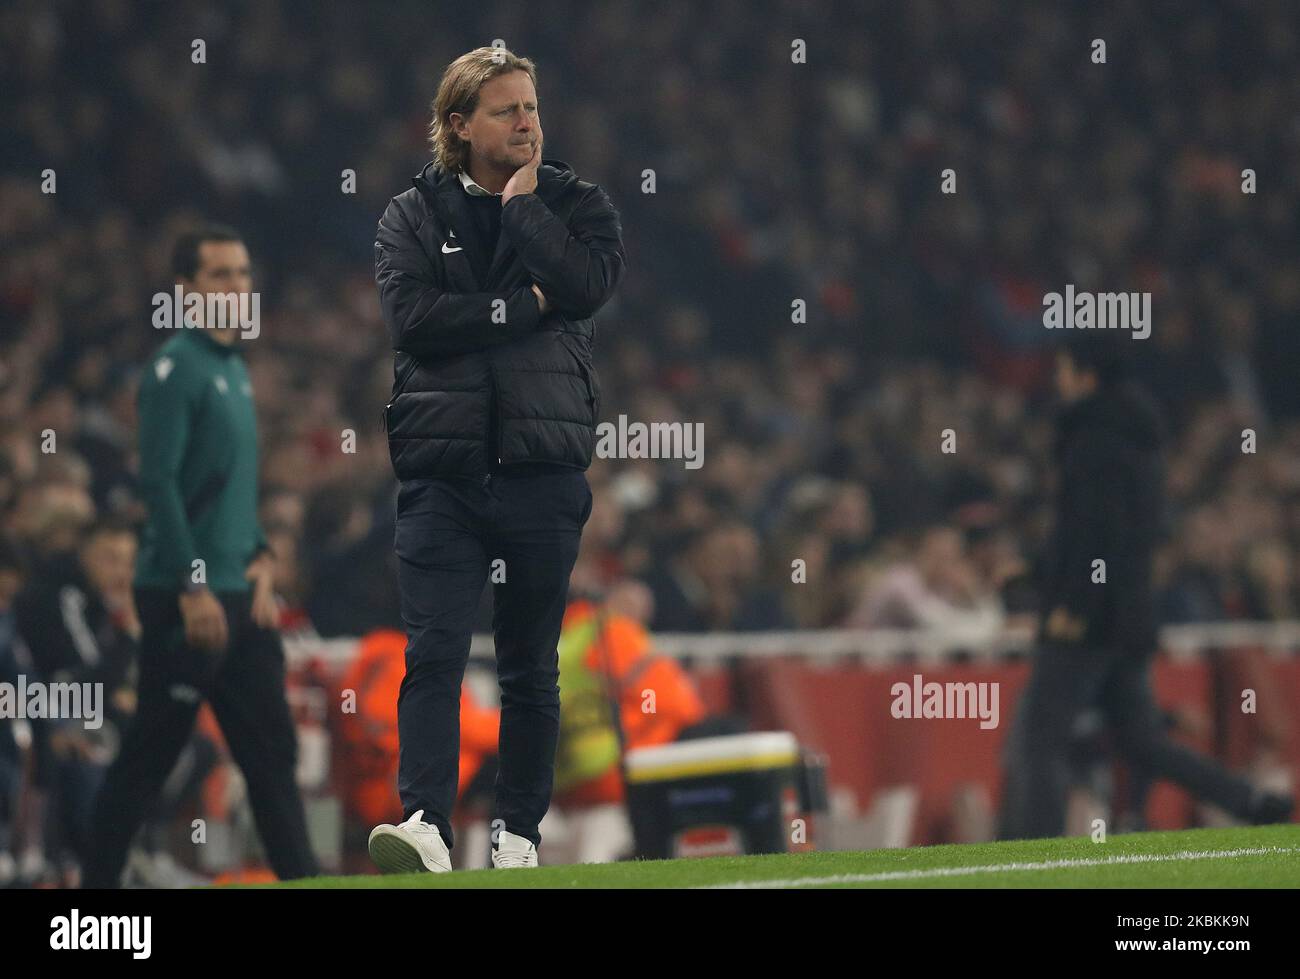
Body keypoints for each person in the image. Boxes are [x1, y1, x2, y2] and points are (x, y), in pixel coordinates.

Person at [367, 46, 625, 873]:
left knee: (529, 665)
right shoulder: (409, 215)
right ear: (458, 125)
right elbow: (415, 322)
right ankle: (428, 827)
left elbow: (586, 285)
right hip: (441, 474)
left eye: (532, 108)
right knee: (434, 651)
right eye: (508, 110)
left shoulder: (576, 205)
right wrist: (518, 309)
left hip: (542, 471)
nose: (528, 123)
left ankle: (517, 836)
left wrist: (523, 214)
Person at [83, 226, 318, 887]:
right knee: (149, 757)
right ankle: (91, 901)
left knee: (273, 755)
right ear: (186, 292)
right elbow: (157, 482)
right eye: (219, 275)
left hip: (238, 594)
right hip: (187, 597)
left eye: (242, 273)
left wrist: (263, 555)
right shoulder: (173, 368)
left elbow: (228, 493)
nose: (237, 286)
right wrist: (193, 585)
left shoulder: (233, 368)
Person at [999, 335, 1294, 839]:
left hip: (1086, 620)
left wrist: (1068, 604)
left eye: (1066, 369)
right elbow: (1128, 541)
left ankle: (1029, 854)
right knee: (1141, 741)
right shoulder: (1140, 439)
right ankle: (1250, 802)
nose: (1058, 380)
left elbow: (1090, 538)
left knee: (1038, 741)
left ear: (1087, 374)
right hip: (1130, 615)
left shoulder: (1092, 442)